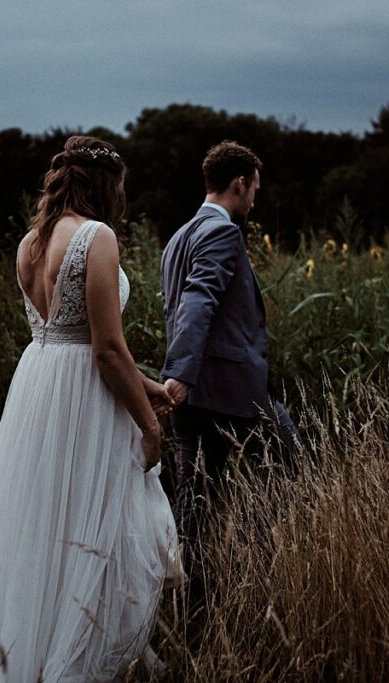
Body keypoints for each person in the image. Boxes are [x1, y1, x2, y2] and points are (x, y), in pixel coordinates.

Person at [0, 136, 182, 682]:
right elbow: (103, 347)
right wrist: (149, 427)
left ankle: (21, 652)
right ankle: (73, 658)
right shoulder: (96, 237)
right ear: (105, 184)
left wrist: (147, 384)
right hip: (84, 398)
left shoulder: (29, 244)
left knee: (40, 525)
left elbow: (70, 336)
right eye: (120, 186)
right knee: (90, 523)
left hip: (39, 386)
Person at [160, 140, 301, 580]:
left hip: (192, 397)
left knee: (194, 507)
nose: (255, 198)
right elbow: (198, 301)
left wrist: (180, 379)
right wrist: (181, 373)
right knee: (293, 460)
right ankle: (248, 558)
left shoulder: (178, 237)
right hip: (228, 392)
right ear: (240, 184)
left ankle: (195, 605)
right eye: (255, 188)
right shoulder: (223, 232)